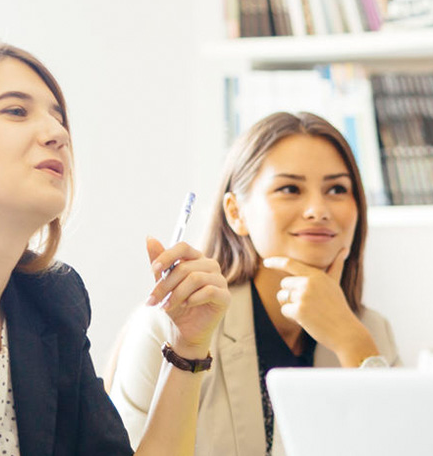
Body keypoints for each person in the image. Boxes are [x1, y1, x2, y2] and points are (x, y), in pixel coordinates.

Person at [0, 41, 229, 456]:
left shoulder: (52, 303)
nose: (58, 134)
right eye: (16, 111)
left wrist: (190, 346)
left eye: (59, 118)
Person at [109, 112, 400, 456]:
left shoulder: (370, 332)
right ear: (236, 212)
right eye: (290, 188)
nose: (318, 210)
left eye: (337, 189)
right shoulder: (170, 325)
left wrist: (353, 343)